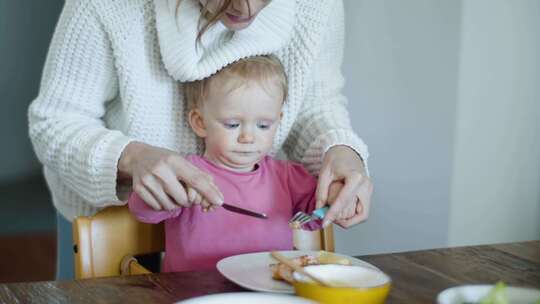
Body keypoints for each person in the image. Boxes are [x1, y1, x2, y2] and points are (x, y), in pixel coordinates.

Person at [28, 0, 373, 279]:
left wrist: (341, 152)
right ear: (198, 121)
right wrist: (130, 159)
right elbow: (55, 122)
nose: (247, 9)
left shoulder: (317, 7)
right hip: (114, 230)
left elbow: (317, 104)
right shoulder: (109, 7)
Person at [129, 55, 353, 272]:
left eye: (264, 126)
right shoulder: (187, 174)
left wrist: (336, 200)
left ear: (278, 122)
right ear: (200, 123)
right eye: (233, 124)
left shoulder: (288, 177)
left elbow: (318, 214)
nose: (248, 137)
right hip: (196, 294)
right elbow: (143, 210)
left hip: (269, 293)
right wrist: (172, 193)